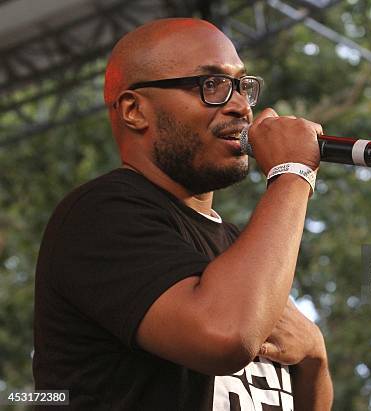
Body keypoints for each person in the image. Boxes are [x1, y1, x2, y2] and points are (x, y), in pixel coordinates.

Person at [33, 18, 333, 410]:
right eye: (211, 85)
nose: (241, 107)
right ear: (135, 111)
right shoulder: (98, 215)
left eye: (242, 86)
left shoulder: (241, 248)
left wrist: (314, 352)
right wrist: (293, 173)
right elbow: (225, 335)